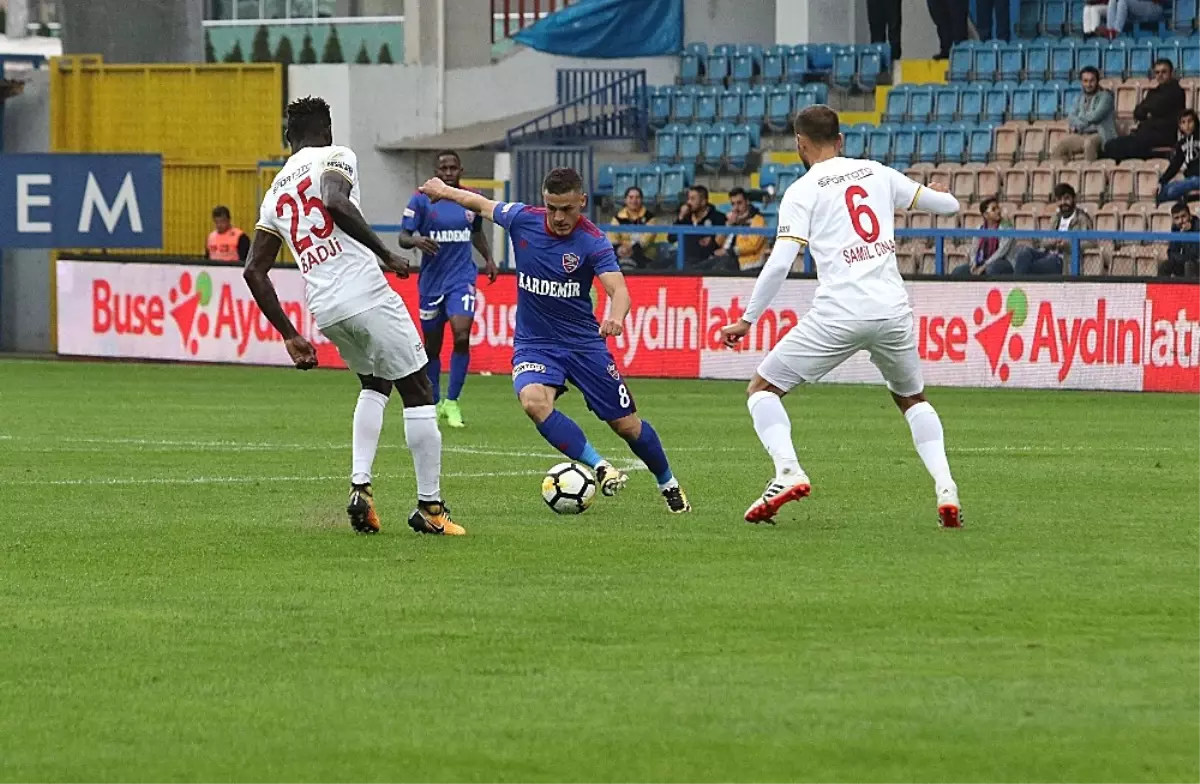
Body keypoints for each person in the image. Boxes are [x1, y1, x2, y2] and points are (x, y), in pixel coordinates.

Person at [719, 105, 963, 528]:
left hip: (839, 313)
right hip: (891, 310)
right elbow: (949, 207)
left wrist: (747, 319)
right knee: (911, 399)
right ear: (841, 139)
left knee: (762, 389)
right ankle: (946, 487)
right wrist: (936, 190)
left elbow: (779, 263)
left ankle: (788, 471)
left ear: (799, 142)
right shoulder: (876, 171)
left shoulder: (802, 190)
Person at [243, 96, 463, 537]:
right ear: (327, 130)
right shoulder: (336, 156)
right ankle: (430, 508)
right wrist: (384, 254)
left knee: (375, 383)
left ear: (289, 137)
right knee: (419, 389)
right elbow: (335, 202)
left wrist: (289, 334)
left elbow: (254, 269)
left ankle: (360, 488)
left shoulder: (275, 190)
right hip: (365, 293)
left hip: (326, 308)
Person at [419, 167, 692, 514]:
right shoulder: (522, 219)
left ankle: (668, 484)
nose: (559, 217)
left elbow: (618, 289)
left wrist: (615, 317)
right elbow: (481, 203)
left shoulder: (592, 241)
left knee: (626, 425)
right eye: (552, 207)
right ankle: (600, 465)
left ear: (582, 202)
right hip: (536, 344)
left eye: (567, 209)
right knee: (533, 402)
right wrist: (444, 190)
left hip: (584, 345)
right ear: (543, 202)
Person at [399, 150, 498, 430]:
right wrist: (417, 241)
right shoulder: (421, 199)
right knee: (431, 347)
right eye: (444, 168)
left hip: (461, 278)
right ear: (436, 171)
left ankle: (453, 402)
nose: (449, 172)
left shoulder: (470, 199)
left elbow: (476, 231)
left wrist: (488, 259)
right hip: (431, 282)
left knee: (462, 334)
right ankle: (435, 402)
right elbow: (403, 237)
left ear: (461, 170)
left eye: (453, 167)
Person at [1103, 59, 1185, 162]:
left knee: (1120, 148)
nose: (1160, 75)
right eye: (1157, 72)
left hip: (1163, 135)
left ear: (1171, 73)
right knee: (1110, 145)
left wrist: (1148, 108)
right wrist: (1148, 109)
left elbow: (1158, 107)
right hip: (1145, 133)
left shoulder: (1177, 91)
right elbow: (1138, 113)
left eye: (1164, 72)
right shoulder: (1153, 92)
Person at [1011, 184, 1094, 275]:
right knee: (1024, 253)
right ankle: (1016, 284)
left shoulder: (1082, 219)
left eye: (1067, 198)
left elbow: (1090, 243)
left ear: (1073, 199)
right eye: (1059, 199)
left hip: (1063, 260)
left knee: (1031, 267)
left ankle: (1017, 285)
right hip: (1048, 254)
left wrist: (1068, 245)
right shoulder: (1055, 218)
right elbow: (1043, 242)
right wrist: (1052, 242)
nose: (1063, 202)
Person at [1052, 67, 1117, 163]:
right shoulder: (1080, 97)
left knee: (1089, 144)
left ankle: (1091, 176)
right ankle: (1066, 175)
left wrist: (1078, 122)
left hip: (1101, 134)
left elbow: (1095, 117)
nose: (1088, 84)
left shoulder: (1106, 97)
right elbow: (1071, 117)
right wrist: (1080, 122)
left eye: (1092, 81)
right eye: (1085, 81)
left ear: (1097, 81)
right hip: (1082, 134)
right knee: (1058, 148)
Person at [697, 188, 768, 273]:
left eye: (739, 203)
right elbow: (718, 243)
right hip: (726, 259)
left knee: (716, 268)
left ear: (747, 202)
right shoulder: (732, 220)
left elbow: (752, 246)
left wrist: (728, 252)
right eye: (733, 204)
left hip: (746, 264)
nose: (736, 208)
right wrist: (728, 226)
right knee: (698, 266)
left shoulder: (757, 220)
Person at [951, 198, 1018, 276]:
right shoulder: (980, 229)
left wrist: (984, 265)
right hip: (982, 262)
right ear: (986, 215)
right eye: (994, 209)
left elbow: (1001, 252)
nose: (998, 211)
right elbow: (974, 249)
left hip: (1003, 262)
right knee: (958, 271)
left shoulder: (1006, 228)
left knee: (990, 269)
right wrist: (974, 263)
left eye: (998, 208)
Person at [674, 185, 726, 268]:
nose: (689, 203)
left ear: (703, 201)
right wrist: (680, 217)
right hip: (683, 258)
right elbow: (671, 237)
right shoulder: (685, 217)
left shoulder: (718, 217)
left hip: (706, 261)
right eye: (688, 199)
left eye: (693, 199)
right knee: (656, 266)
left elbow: (717, 244)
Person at [610, 186, 661, 270]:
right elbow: (612, 238)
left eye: (637, 197)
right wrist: (619, 249)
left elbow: (646, 240)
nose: (634, 200)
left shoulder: (650, 217)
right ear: (625, 200)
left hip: (644, 256)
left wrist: (632, 249)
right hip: (621, 254)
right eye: (631, 197)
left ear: (642, 200)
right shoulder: (617, 218)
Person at [1158, 110, 1200, 204]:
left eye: (1190, 121)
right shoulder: (1181, 144)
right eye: (1183, 122)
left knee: (1171, 190)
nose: (1187, 125)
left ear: (1195, 122)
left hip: (1197, 179)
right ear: (1180, 126)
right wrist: (1162, 181)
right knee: (1162, 191)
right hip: (1190, 179)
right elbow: (1175, 165)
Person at [1161, 201, 1200, 277]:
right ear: (1173, 220)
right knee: (1165, 265)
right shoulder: (1175, 228)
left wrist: (1187, 234)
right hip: (1183, 261)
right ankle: (1161, 288)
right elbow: (1171, 252)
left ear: (1190, 216)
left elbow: (1195, 254)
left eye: (1183, 216)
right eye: (1177, 218)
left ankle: (1190, 289)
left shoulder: (1198, 227)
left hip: (1197, 264)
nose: (1181, 221)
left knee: (1189, 264)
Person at [1096, 0, 1165, 38]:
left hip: (1155, 8)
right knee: (1112, 1)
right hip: (1137, 9)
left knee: (1123, 1)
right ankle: (1110, 30)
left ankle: (1116, 32)